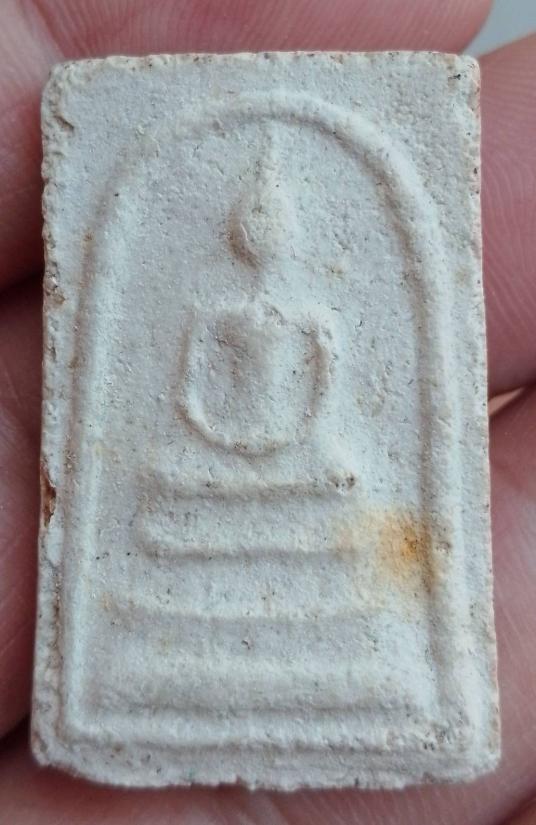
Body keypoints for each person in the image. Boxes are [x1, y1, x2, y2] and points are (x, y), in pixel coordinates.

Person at [0, 2, 535, 822]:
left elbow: (319, 391)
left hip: (296, 457)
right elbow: (191, 392)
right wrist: (221, 437)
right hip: (217, 453)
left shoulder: (311, 318)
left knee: (342, 488)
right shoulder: (214, 309)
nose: (260, 234)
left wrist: (284, 439)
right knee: (169, 501)